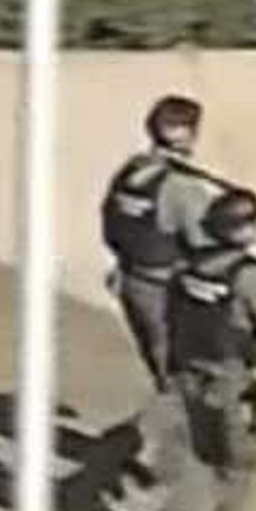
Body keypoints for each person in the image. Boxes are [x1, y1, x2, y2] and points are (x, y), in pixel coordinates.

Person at [149, 191, 256, 511]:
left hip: (189, 374)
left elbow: (171, 316)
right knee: (240, 470)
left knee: (200, 456)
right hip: (235, 380)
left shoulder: (188, 267)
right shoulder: (249, 275)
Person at [101, 94, 220, 387]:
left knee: (160, 364)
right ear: (191, 136)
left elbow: (111, 223)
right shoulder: (182, 187)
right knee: (186, 372)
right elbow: (205, 244)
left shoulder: (131, 172)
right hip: (169, 289)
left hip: (132, 280)